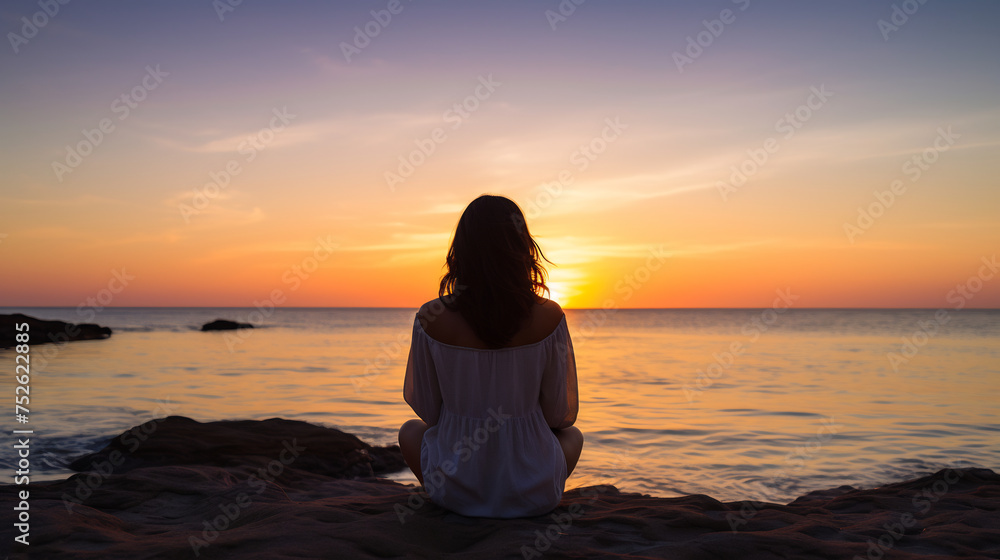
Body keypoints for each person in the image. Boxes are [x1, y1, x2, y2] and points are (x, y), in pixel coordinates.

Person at [398, 194, 583, 518]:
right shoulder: (550, 316)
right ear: (522, 248)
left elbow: (428, 412)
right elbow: (560, 417)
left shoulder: (431, 317)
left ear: (461, 250)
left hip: (454, 491)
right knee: (573, 436)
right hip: (533, 493)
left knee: (409, 431)